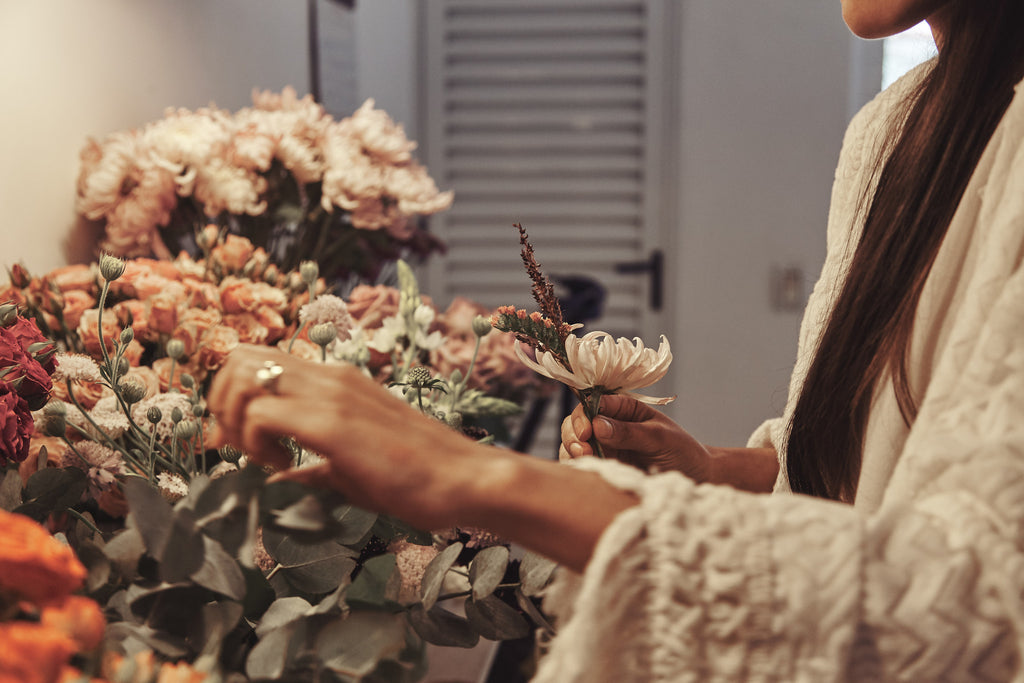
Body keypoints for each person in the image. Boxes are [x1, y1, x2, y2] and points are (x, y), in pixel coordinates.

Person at [208, 0, 1024, 679]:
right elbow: (868, 464)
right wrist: (715, 472)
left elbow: (978, 602)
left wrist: (462, 470)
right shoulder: (891, 127)